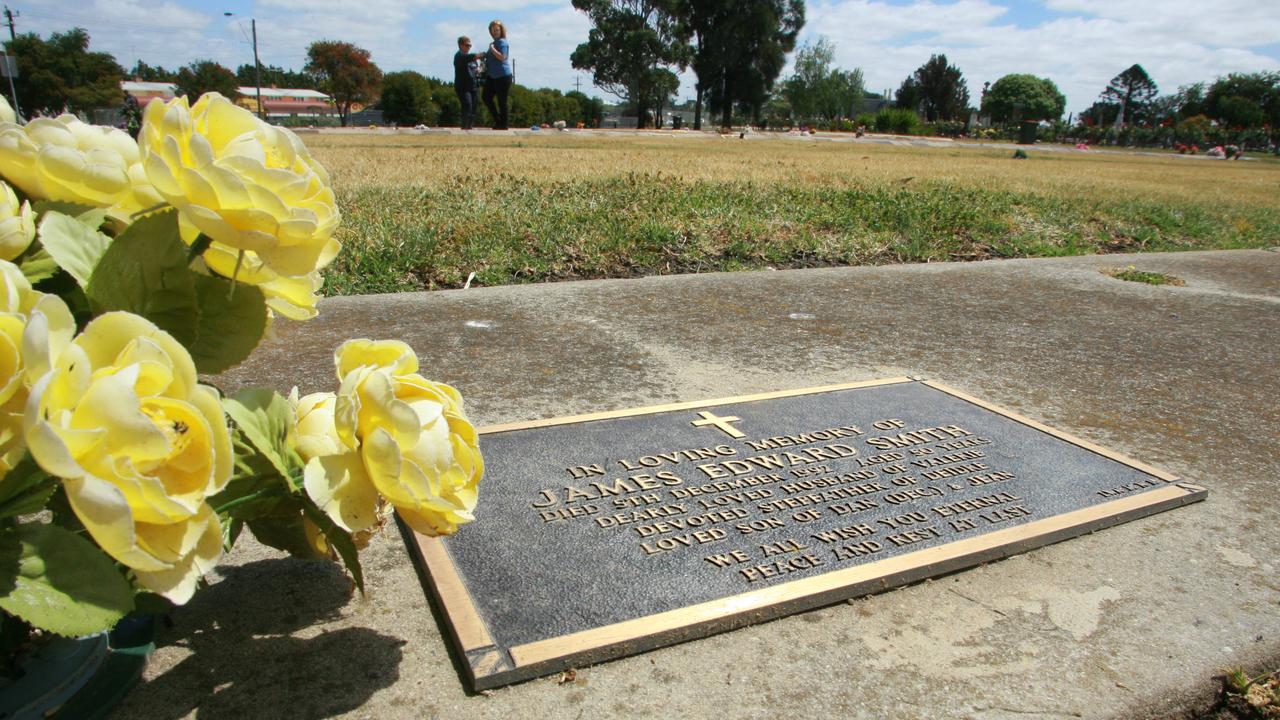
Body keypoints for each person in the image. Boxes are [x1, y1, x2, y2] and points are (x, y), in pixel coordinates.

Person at [481, 20, 513, 130]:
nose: (495, 32)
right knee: (486, 97)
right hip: (492, 76)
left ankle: (503, 125)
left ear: (501, 30)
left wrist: (492, 49)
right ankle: (498, 120)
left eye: (497, 30)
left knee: (502, 101)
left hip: (503, 76)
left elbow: (502, 57)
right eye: (493, 30)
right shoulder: (494, 43)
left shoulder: (502, 42)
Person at [453, 36, 479, 130]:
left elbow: (474, 68)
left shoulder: (472, 59)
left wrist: (478, 70)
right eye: (467, 45)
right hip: (463, 87)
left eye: (470, 45)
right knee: (467, 105)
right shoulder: (459, 56)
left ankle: (470, 127)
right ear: (460, 45)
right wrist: (478, 55)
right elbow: (468, 58)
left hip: (473, 86)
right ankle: (464, 128)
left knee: (474, 108)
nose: (469, 47)